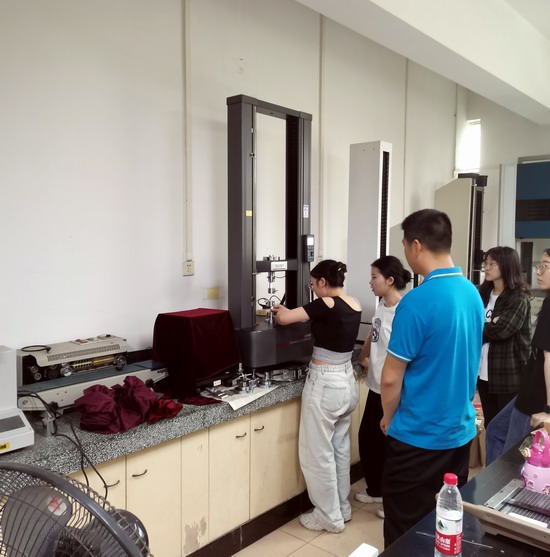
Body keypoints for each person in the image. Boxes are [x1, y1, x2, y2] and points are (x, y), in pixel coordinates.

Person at [379, 208, 484, 548]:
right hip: (459, 434)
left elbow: (391, 378)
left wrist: (389, 417)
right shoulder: (472, 293)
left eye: (404, 245)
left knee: (405, 530)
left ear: (416, 246)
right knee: (444, 525)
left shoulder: (417, 302)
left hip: (418, 437)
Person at [273, 259, 361, 534]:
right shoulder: (355, 303)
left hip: (325, 384)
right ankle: (342, 508)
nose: (312, 289)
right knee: (339, 449)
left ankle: (327, 517)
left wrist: (280, 310)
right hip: (347, 382)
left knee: (317, 453)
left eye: (312, 284)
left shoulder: (326, 303)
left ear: (323, 282)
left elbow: (284, 319)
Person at [354, 255, 411, 520]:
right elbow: (373, 334)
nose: (370, 282)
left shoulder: (402, 310)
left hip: (392, 390)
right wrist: (363, 356)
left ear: (389, 280)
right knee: (369, 440)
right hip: (375, 386)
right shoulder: (382, 305)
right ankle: (376, 489)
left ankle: (393, 501)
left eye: (374, 277)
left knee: (392, 447)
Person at [486, 249, 550, 465]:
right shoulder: (484, 293)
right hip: (528, 390)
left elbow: (549, 358)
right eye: (538, 266)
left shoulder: (541, 303)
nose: (538, 271)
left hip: (535, 397)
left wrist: (548, 410)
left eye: (545, 266)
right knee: (495, 430)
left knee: (513, 457)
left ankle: (499, 486)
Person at [477, 246, 531, 428]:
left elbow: (502, 330)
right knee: (490, 426)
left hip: (508, 375)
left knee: (507, 430)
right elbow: (467, 326)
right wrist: (491, 324)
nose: (486, 267)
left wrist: (484, 326)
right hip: (481, 373)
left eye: (492, 263)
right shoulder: (481, 294)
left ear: (507, 266)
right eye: (486, 263)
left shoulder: (518, 297)